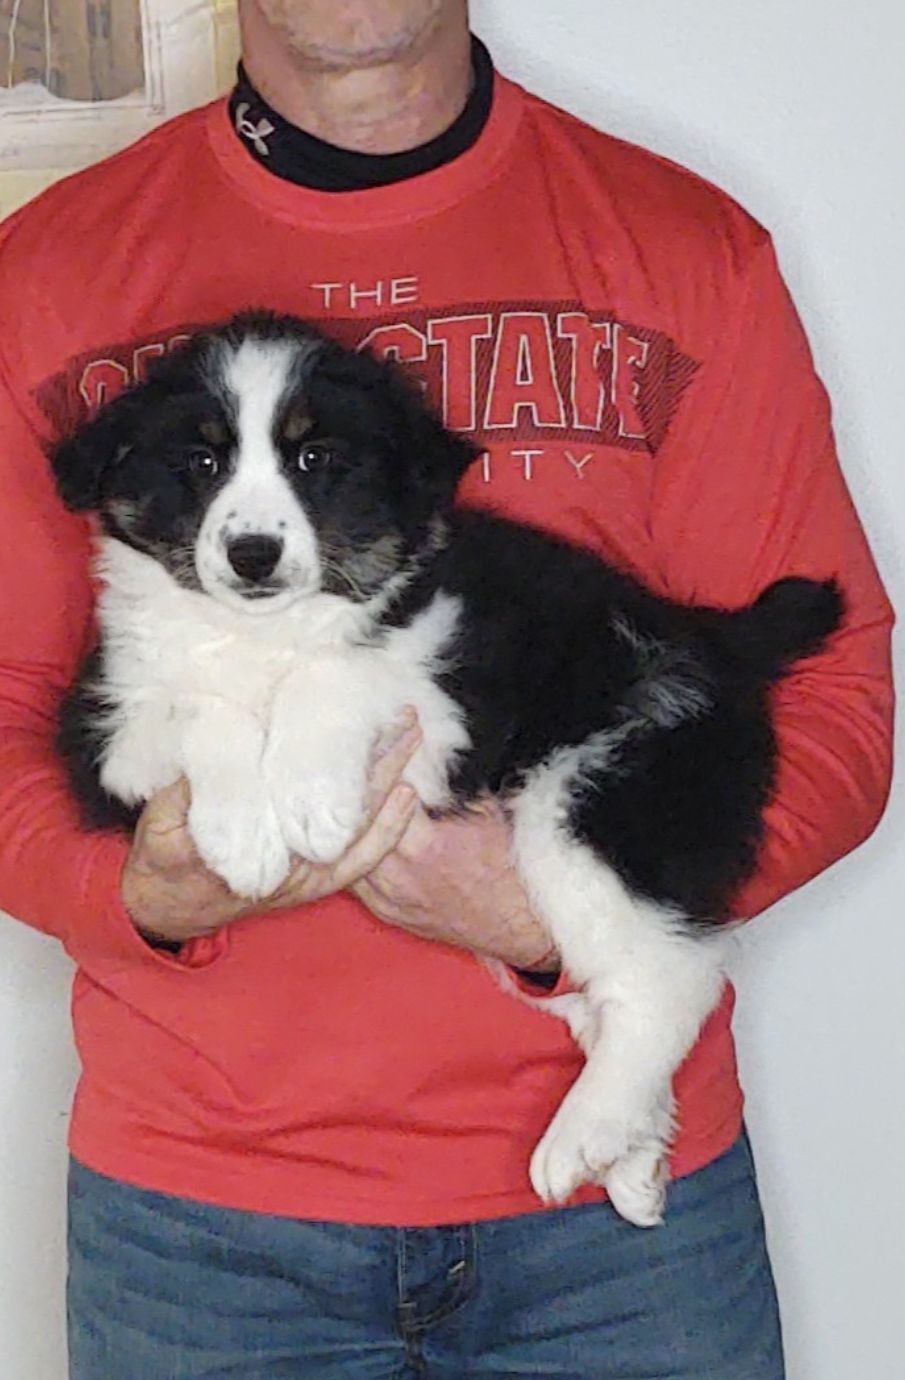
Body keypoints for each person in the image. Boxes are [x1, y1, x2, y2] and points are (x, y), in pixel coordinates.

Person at [0, 2, 893, 1376]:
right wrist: (132, 893)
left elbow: (829, 696)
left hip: (620, 1249)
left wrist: (563, 910)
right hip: (201, 1227)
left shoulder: (683, 247)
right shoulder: (52, 271)